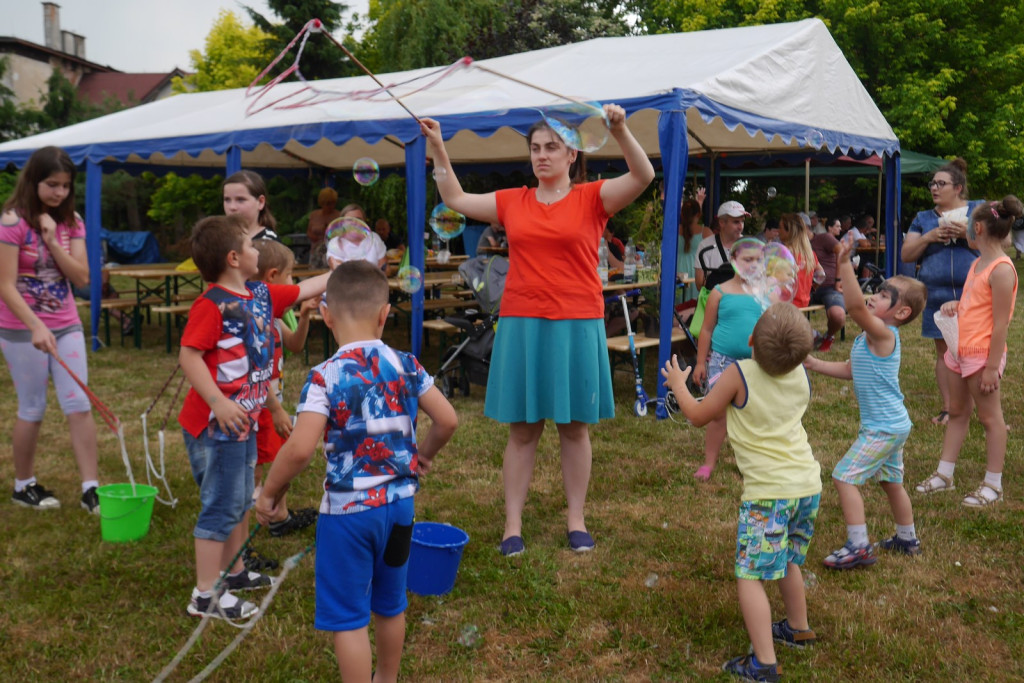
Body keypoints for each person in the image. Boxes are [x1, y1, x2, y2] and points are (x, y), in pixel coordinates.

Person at [420, 103, 655, 556]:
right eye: (535, 148)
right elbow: (455, 200)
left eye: (552, 148)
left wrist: (621, 130)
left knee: (574, 428)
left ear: (572, 156)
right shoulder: (513, 201)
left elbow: (643, 176)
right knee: (523, 430)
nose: (542, 155)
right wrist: (439, 148)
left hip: (576, 321)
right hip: (523, 322)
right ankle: (512, 525)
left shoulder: (593, 197)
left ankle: (576, 519)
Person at [254, 261, 458, 682]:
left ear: (326, 315)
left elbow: (299, 450)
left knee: (349, 618)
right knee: (390, 604)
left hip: (347, 516)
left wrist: (270, 493)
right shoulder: (407, 364)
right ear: (385, 315)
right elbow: (448, 420)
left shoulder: (324, 376)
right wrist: (423, 456)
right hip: (401, 509)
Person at [177, 214, 331, 619]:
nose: (256, 250)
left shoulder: (259, 294)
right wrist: (218, 402)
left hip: (240, 422)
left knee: (239, 500)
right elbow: (189, 356)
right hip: (217, 425)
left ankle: (235, 573)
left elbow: (304, 289)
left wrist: (344, 269)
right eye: (250, 246)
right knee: (222, 506)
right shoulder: (211, 305)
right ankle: (205, 594)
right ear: (233, 258)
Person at [662, 302, 820, 683]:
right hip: (807, 486)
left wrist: (679, 386)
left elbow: (700, 415)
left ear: (750, 340)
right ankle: (798, 629)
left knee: (750, 574)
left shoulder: (739, 374)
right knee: (789, 560)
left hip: (769, 495)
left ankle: (763, 664)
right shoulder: (800, 373)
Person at [805, 240, 928, 569]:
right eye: (875, 290)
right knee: (891, 482)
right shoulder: (868, 338)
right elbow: (850, 369)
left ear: (901, 313)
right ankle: (907, 538)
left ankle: (858, 546)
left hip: (883, 427)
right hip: (892, 424)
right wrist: (814, 364)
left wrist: (844, 263)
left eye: (884, 295)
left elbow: (856, 309)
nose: (873, 295)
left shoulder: (884, 334)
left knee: (844, 477)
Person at [0, 146, 101, 513]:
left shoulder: (71, 221)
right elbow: (6, 285)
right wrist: (35, 327)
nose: (58, 193)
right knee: (32, 407)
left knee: (78, 403)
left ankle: (91, 489)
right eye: (51, 185)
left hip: (66, 325)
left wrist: (50, 240)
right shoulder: (11, 223)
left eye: (64, 186)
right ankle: (23, 485)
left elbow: (82, 276)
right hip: (22, 329)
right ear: (33, 181)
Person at [915, 196, 1021, 507]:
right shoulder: (978, 263)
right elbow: (975, 305)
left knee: (991, 419)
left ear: (976, 228)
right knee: (958, 412)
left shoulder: (1002, 270)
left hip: (981, 355)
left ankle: (993, 484)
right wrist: (956, 305)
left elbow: (1001, 325)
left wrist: (990, 367)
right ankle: (944, 475)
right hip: (958, 349)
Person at [900, 158, 985, 426]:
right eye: (932, 184)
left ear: (958, 187)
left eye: (941, 183)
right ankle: (950, 408)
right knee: (944, 353)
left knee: (977, 351)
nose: (934, 188)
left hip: (974, 292)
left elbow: (1000, 243)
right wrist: (928, 237)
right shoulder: (923, 218)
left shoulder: (978, 210)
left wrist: (967, 233)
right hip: (935, 292)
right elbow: (906, 254)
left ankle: (984, 411)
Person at [252, 239, 319, 538]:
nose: (294, 282)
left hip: (272, 404)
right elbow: (255, 370)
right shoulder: (256, 320)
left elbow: (295, 345)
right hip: (259, 407)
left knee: (279, 458)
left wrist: (304, 316)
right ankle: (251, 514)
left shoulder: (274, 316)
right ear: (273, 277)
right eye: (291, 276)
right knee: (254, 463)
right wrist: (276, 409)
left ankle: (277, 515)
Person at [691, 238, 764, 481]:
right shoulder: (719, 292)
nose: (753, 264)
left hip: (756, 363)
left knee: (752, 414)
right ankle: (709, 462)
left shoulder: (764, 294)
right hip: (722, 361)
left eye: (758, 260)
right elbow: (707, 330)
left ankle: (751, 462)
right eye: (747, 259)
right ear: (733, 262)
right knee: (718, 414)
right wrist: (701, 362)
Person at [809, 217, 846, 351]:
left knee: (838, 315)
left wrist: (838, 280)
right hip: (805, 288)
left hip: (828, 286)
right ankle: (812, 335)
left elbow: (841, 251)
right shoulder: (793, 244)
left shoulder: (823, 238)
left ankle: (828, 336)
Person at [696, 201, 749, 292]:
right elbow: (699, 284)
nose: (741, 227)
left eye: (742, 221)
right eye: (736, 222)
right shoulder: (705, 245)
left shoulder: (748, 246)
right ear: (722, 223)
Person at [778, 213, 824, 309]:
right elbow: (822, 275)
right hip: (804, 305)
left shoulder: (782, 253)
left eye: (780, 228)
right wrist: (812, 287)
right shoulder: (810, 254)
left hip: (784, 306)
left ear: (789, 231)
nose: (778, 231)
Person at [223, 170, 280, 242]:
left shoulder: (268, 242)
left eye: (240, 200)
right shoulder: (220, 238)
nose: (232, 207)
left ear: (260, 202)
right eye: (227, 200)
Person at [676, 192, 709, 302]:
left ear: (681, 214)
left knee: (678, 305)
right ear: (699, 214)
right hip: (697, 270)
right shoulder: (705, 232)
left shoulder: (673, 231)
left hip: (678, 270)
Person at [307, 187, 342, 259]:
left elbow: (342, 234)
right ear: (322, 203)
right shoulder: (314, 214)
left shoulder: (339, 216)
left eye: (333, 203)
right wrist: (315, 238)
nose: (331, 206)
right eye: (328, 203)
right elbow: (309, 232)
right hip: (315, 251)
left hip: (333, 252)